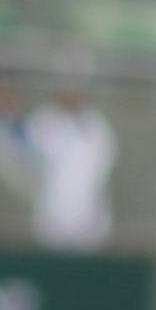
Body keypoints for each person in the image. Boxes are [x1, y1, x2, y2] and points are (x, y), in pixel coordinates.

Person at [26, 87, 116, 250]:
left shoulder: (96, 123)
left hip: (87, 201)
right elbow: (36, 154)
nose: (72, 97)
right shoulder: (44, 119)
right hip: (53, 198)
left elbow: (103, 159)